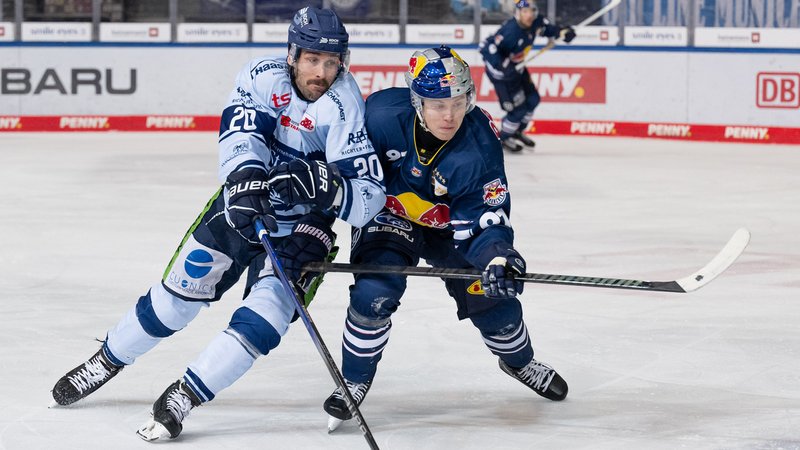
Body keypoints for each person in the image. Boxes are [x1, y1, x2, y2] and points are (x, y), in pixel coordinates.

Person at [50, 6, 386, 442]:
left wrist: (331, 190)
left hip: (303, 227)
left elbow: (369, 198)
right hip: (243, 204)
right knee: (175, 300)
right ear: (292, 54)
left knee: (264, 320)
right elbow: (241, 136)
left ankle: (184, 395)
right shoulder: (262, 76)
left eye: (331, 61)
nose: (321, 72)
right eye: (312, 59)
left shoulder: (345, 105)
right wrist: (246, 177)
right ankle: (107, 359)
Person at [322, 45, 568, 432]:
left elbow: (484, 218)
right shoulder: (380, 116)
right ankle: (353, 380)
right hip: (388, 216)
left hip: (450, 227)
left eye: (457, 102)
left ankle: (520, 362)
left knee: (495, 304)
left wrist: (499, 256)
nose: (449, 115)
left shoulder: (478, 144)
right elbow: (342, 173)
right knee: (374, 293)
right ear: (416, 101)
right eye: (437, 105)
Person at [479, 0, 575, 152]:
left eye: (531, 11)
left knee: (533, 100)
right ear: (518, 13)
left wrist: (563, 32)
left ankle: (516, 131)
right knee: (518, 110)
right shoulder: (511, 31)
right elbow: (485, 46)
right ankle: (503, 138)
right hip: (503, 76)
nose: (528, 15)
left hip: (518, 69)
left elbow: (548, 29)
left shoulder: (535, 22)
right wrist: (503, 65)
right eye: (524, 12)